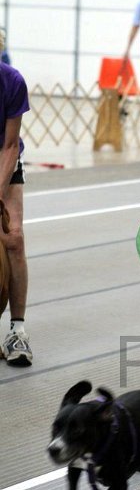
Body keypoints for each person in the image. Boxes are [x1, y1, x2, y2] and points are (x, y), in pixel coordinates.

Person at [0, 31, 32, 366]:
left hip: (3, 159)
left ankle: (17, 330)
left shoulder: (12, 82)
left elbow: (10, 146)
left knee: (13, 238)